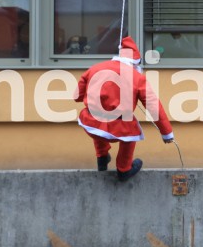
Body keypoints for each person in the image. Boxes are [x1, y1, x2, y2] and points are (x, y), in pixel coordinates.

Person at [74, 36, 174, 181]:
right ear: (135, 62)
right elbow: (153, 105)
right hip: (119, 127)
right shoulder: (137, 77)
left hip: (90, 122)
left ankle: (102, 157)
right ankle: (124, 169)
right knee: (130, 131)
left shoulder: (94, 68)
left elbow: (76, 96)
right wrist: (167, 133)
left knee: (99, 125)